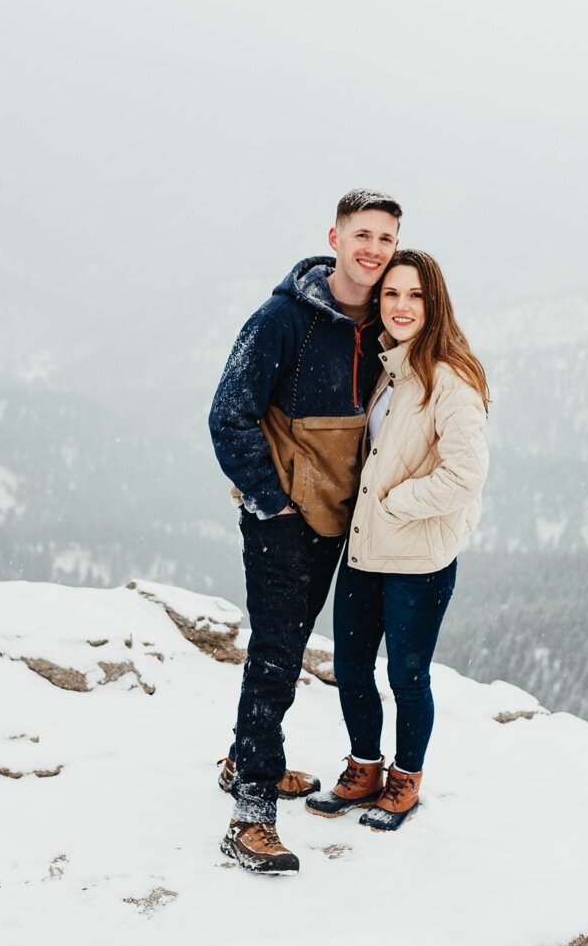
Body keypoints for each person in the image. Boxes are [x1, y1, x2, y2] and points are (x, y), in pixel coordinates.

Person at [208, 189, 402, 873]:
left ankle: (245, 759)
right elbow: (228, 413)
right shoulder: (282, 320)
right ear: (335, 237)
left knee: (284, 653)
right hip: (285, 524)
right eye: (363, 235)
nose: (373, 249)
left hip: (337, 522)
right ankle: (250, 816)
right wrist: (271, 503)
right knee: (274, 660)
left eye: (385, 238)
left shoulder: (381, 323)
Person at [305, 249, 490, 832]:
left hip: (418, 558)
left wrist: (392, 505)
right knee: (353, 667)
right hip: (365, 550)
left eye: (414, 295)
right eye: (391, 294)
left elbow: (464, 476)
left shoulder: (452, 378)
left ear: (433, 302)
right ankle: (364, 767)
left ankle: (406, 779)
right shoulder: (388, 366)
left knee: (407, 677)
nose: (402, 306)